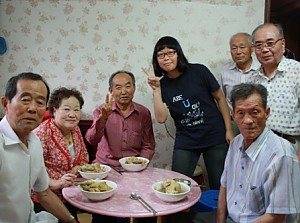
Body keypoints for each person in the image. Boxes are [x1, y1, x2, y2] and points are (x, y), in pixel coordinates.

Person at [144, 36, 233, 190]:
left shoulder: (199, 71)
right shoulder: (162, 84)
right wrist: (157, 90)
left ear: (178, 53)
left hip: (214, 134)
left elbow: (220, 98)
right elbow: (161, 118)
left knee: (219, 185)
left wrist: (229, 129)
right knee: (176, 184)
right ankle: (181, 214)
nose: (166, 58)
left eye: (170, 53)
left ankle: (217, 214)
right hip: (187, 138)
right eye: (161, 55)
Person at [0, 72, 78, 223]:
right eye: (25, 100)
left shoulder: (34, 141)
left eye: (40, 102)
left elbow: (44, 193)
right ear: (5, 104)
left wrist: (72, 220)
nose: (33, 108)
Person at [217, 83, 300, 223]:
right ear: (233, 116)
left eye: (255, 112)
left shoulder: (281, 155)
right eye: (241, 113)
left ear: (266, 113)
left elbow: (276, 217)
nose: (248, 120)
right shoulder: (235, 143)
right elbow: (224, 186)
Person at [85, 70, 156, 223]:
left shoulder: (143, 113)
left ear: (134, 88)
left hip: (134, 171)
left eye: (128, 86)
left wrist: (139, 164)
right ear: (111, 90)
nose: (124, 91)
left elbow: (148, 145)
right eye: (118, 87)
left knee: (147, 211)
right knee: (106, 216)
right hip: (105, 168)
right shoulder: (102, 110)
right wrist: (103, 119)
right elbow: (91, 140)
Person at [32, 87, 89, 221]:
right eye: (66, 109)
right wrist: (57, 183)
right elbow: (33, 173)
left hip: (71, 194)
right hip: (45, 199)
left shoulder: (75, 130)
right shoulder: (41, 133)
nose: (72, 114)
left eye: (76, 109)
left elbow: (84, 156)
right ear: (54, 110)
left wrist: (79, 168)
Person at [247, 23, 300, 160]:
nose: (264, 50)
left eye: (270, 43)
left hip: (290, 147)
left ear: (283, 44)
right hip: (258, 146)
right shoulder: (251, 79)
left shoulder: (297, 71)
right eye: (258, 45)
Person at [220, 32, 260, 136]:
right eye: (234, 48)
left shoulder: (261, 70)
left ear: (251, 49)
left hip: (256, 122)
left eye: (242, 47)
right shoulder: (225, 72)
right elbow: (221, 99)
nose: (238, 52)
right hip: (233, 123)